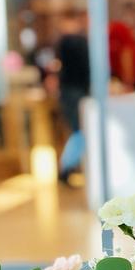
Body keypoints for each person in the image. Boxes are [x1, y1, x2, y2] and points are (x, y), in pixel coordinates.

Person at [56, 10, 90, 183]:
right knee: (80, 130)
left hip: (70, 91)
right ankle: (66, 167)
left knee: (79, 130)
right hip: (76, 92)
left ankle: (68, 166)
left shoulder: (64, 42)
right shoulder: (74, 42)